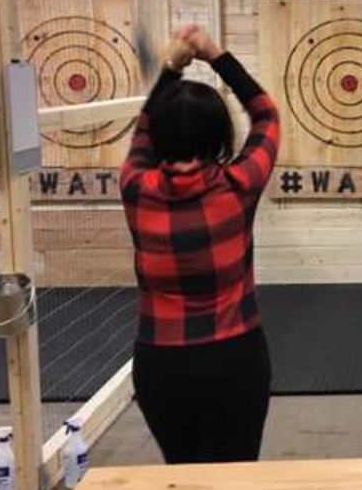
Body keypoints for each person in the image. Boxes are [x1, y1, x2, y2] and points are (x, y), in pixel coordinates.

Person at [120, 24, 280, 463]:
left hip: (161, 366)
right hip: (234, 360)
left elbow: (144, 128)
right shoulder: (238, 185)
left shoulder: (135, 186)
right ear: (217, 134)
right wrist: (214, 55)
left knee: (182, 473)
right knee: (234, 475)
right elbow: (266, 114)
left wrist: (172, 68)